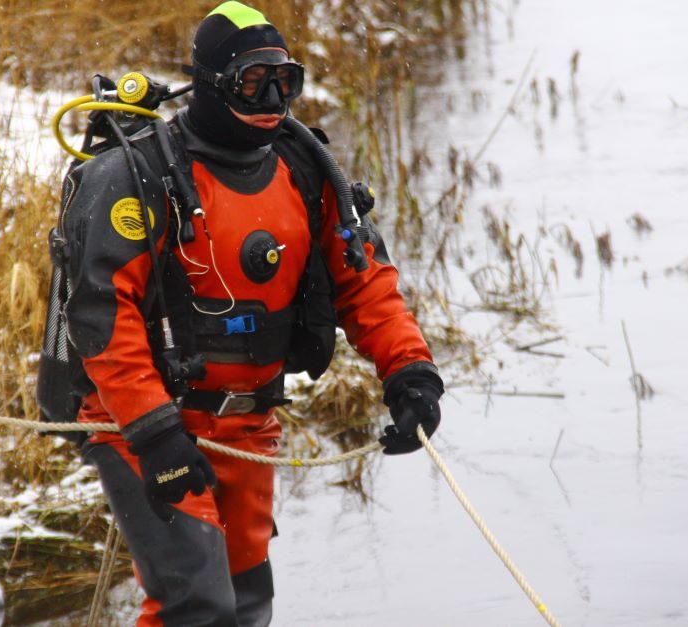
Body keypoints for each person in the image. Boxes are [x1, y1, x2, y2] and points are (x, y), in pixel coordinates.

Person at [60, 2, 443, 625]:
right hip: (147, 422)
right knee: (196, 606)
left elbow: (365, 280)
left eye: (284, 81)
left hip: (249, 425)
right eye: (250, 81)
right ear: (210, 83)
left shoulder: (304, 168)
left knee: (246, 605)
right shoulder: (143, 177)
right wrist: (156, 436)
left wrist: (411, 374)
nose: (270, 98)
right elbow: (105, 315)